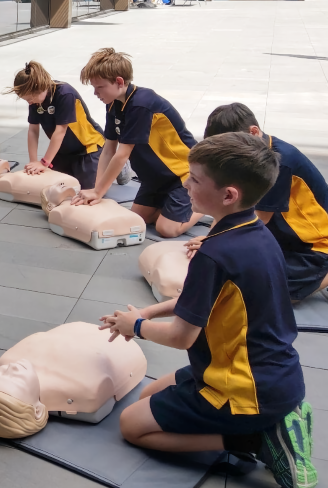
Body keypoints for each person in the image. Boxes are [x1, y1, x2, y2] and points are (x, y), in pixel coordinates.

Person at [101, 133, 315, 488]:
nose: (185, 183)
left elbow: (182, 336)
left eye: (195, 179)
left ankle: (254, 441)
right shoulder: (257, 233)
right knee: (147, 394)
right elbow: (206, 300)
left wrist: (134, 325)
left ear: (228, 195)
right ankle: (273, 418)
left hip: (244, 390)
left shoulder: (214, 255)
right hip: (277, 377)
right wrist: (152, 311)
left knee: (132, 425)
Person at [193, 103, 328, 302]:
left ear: (254, 132)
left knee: (271, 294)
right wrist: (211, 239)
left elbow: (257, 219)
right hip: (284, 232)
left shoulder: (281, 162)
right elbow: (230, 209)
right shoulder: (247, 154)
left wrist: (213, 243)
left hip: (315, 242)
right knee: (240, 271)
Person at [73, 48, 202, 238]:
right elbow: (109, 149)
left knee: (165, 229)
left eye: (99, 87)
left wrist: (99, 192)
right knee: (137, 219)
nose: (95, 93)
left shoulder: (141, 104)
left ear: (118, 81)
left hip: (181, 175)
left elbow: (122, 154)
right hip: (154, 178)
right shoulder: (113, 104)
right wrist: (97, 188)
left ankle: (204, 205)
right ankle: (172, 207)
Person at [5, 61, 104, 190]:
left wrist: (44, 162)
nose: (29, 102)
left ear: (38, 86)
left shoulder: (64, 94)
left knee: (87, 190)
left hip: (89, 147)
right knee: (54, 186)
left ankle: (115, 165)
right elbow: (33, 131)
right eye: (26, 100)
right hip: (64, 151)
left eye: (30, 98)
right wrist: (34, 162)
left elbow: (60, 131)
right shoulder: (35, 102)